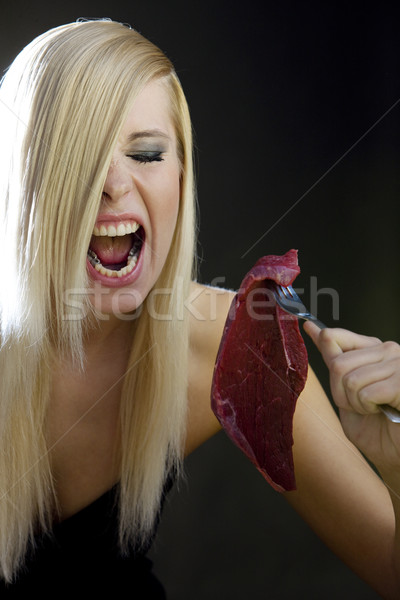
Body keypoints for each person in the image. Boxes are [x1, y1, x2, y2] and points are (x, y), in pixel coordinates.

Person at [0, 17, 399, 597]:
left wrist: (395, 467)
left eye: (146, 153)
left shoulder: (231, 342)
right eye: (78, 154)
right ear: (19, 181)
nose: (113, 182)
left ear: (182, 179)